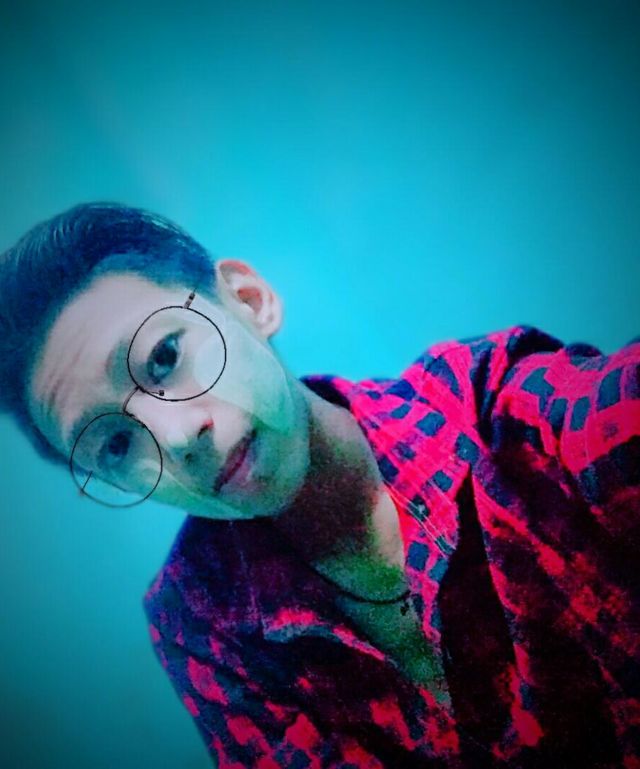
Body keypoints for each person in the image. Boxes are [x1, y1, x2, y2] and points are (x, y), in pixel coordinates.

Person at [0, 202, 638, 769]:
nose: (176, 437)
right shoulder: (202, 618)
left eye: (164, 358)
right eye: (115, 444)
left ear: (248, 301)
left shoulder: (494, 413)